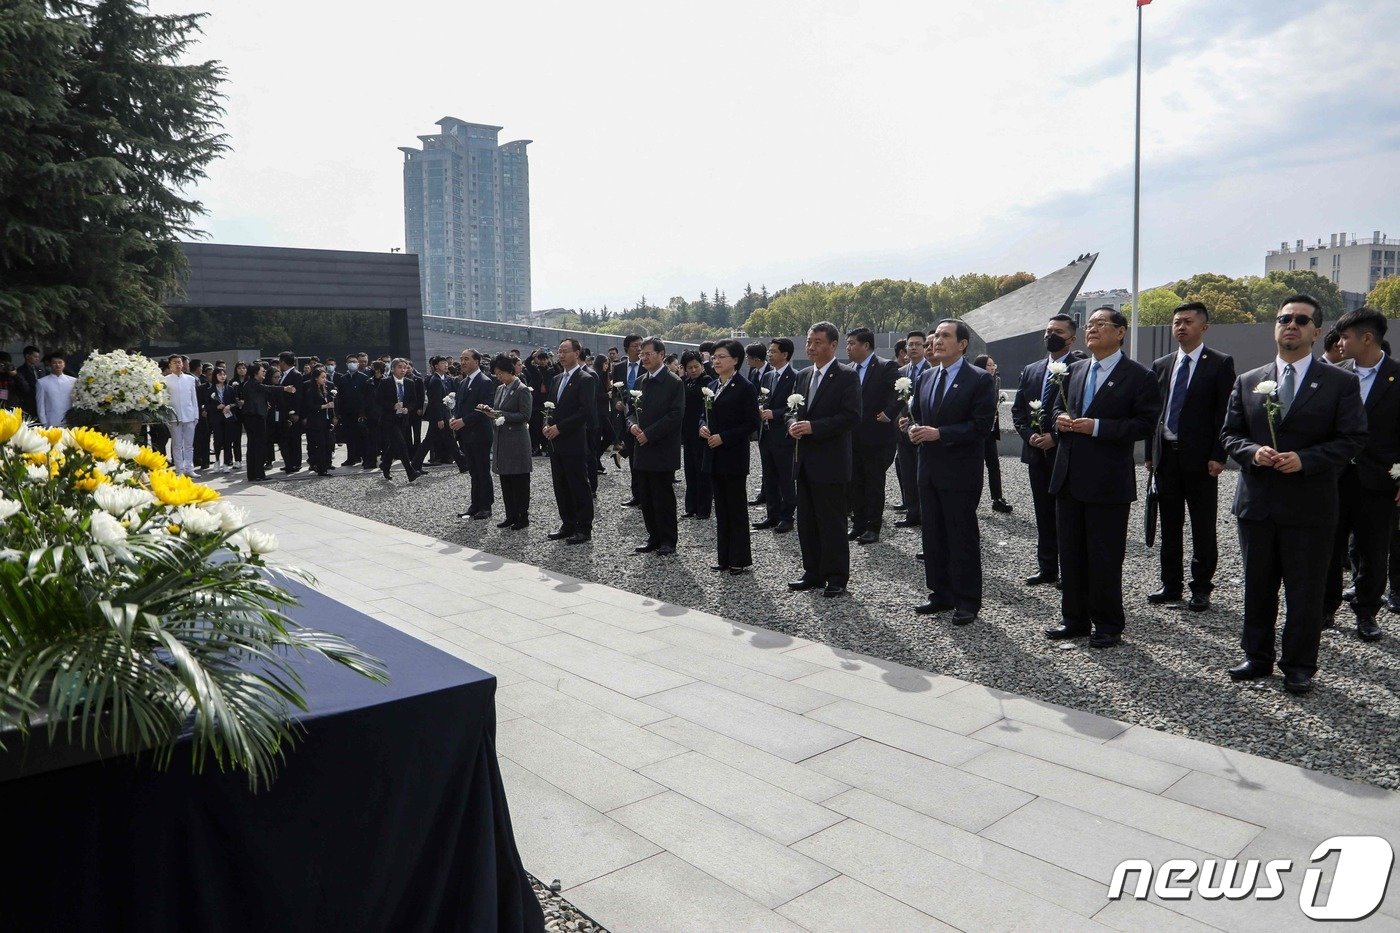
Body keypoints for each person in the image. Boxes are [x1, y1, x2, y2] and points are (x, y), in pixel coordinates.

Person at [1221, 295, 1367, 693]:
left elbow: (1353, 438)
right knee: (1258, 586)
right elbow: (1229, 435)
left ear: (1316, 331)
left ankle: (1299, 665)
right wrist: (1253, 452)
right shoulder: (1249, 380)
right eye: (1284, 318)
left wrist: (1307, 460)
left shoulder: (1340, 382)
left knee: (1305, 591)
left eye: (1301, 320)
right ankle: (1256, 656)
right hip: (1258, 504)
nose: (1291, 325)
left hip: (1310, 506)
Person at [1045, 307, 1161, 649]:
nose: (1092, 330)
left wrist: (1097, 427)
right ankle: (1074, 619)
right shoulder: (1075, 368)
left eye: (1101, 324)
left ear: (1121, 332)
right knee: (1071, 552)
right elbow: (1055, 407)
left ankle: (1108, 623)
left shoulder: (1139, 376)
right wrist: (1060, 418)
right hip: (1068, 476)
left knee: (1105, 556)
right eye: (1090, 325)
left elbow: (1145, 424)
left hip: (1107, 481)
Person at [1144, 301, 1236, 611]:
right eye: (1177, 322)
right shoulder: (1162, 364)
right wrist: (1150, 454)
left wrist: (1218, 454)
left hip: (1201, 460)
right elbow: (1154, 413)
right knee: (1169, 524)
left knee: (1202, 525)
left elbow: (1224, 413)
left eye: (1187, 321)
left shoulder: (1220, 363)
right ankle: (1171, 585)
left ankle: (1201, 588)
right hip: (1166, 458)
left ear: (1203, 327)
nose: (1181, 327)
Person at [909, 320, 997, 623]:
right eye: (936, 337)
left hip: (960, 471)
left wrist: (941, 433)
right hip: (929, 469)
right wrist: (914, 429)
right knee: (932, 534)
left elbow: (981, 426)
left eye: (946, 336)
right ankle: (940, 593)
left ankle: (967, 600)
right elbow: (918, 415)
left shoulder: (980, 380)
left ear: (962, 344)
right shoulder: (927, 376)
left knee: (961, 535)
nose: (937, 342)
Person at [1323, 307, 1399, 642]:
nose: (1339, 343)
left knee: (1373, 548)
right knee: (1327, 546)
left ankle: (1367, 613)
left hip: (1379, 482)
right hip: (1334, 479)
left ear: (1367, 338)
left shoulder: (1397, 378)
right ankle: (1325, 608)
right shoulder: (1333, 375)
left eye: (1345, 336)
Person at [787, 322, 862, 598]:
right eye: (809, 341)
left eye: (818, 342)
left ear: (833, 346)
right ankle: (813, 571)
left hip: (830, 461)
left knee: (832, 522)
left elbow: (851, 416)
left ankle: (836, 576)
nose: (811, 346)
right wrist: (792, 423)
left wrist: (814, 427)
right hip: (804, 460)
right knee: (806, 520)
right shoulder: (803, 375)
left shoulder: (846, 376)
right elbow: (790, 409)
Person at [1010, 314, 1085, 587]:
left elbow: (1078, 411)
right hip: (1036, 453)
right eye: (1048, 330)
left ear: (1072, 338)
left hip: (1065, 454)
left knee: (1066, 515)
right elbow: (1018, 410)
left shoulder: (1081, 368)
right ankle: (1047, 567)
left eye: (1058, 331)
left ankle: (1069, 570)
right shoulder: (1032, 369)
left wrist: (1055, 437)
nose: (1050, 335)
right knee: (1042, 512)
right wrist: (1030, 436)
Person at [701, 339, 761, 573]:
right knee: (721, 509)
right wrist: (702, 426)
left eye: (722, 357)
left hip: (733, 456)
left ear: (735, 360)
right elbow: (703, 415)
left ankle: (739, 558)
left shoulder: (745, 387)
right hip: (714, 455)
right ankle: (723, 557)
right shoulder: (713, 386)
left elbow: (751, 423)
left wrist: (724, 437)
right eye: (714, 357)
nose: (716, 361)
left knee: (735, 508)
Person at [628, 337, 685, 556]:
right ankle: (653, 536)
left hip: (661, 447)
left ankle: (668, 540)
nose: (644, 357)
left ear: (662, 355)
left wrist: (649, 434)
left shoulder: (673, 382)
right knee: (646, 495)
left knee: (663, 496)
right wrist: (632, 425)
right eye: (642, 354)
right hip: (641, 447)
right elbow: (632, 410)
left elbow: (675, 415)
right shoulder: (641, 381)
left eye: (648, 354)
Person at [846, 327, 901, 544]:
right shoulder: (848, 369)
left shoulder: (886, 366)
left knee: (873, 483)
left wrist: (890, 413)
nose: (848, 348)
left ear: (866, 345)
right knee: (855, 483)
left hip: (878, 438)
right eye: (848, 343)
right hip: (852, 437)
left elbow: (902, 392)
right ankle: (858, 525)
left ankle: (873, 527)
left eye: (852, 343)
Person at [544, 339, 596, 544]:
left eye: (565, 351)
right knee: (560, 484)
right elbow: (549, 407)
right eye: (559, 351)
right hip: (555, 442)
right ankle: (567, 523)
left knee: (578, 484)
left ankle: (584, 527)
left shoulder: (586, 378)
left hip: (573, 440)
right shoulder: (556, 379)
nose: (561, 355)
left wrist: (560, 427)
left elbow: (585, 412)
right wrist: (547, 423)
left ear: (577, 353)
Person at [473, 353, 532, 530]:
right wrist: (489, 411)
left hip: (517, 439)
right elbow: (498, 411)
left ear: (510, 371)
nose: (499, 377)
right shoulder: (500, 389)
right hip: (502, 438)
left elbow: (524, 415)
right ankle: (510, 514)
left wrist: (500, 415)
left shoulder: (522, 389)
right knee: (506, 479)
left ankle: (522, 516)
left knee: (519, 480)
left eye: (501, 373)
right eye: (496, 374)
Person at [754, 338, 797, 534]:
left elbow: (795, 407)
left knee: (785, 477)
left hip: (783, 435)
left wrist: (776, 413)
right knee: (769, 476)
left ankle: (787, 516)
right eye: (769, 351)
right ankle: (772, 514)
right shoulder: (767, 376)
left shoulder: (795, 376)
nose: (769, 354)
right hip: (766, 434)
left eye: (773, 351)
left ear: (785, 354)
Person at [452, 350, 496, 519]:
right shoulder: (463, 382)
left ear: (477, 361)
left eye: (466, 359)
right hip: (466, 434)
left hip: (479, 434)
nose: (462, 362)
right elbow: (459, 406)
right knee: (473, 471)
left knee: (482, 470)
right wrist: (455, 418)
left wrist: (464, 421)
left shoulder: (484, 381)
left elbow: (484, 409)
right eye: (461, 359)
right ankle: (475, 504)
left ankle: (486, 506)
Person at [894, 332, 930, 530]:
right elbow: (896, 402)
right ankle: (912, 512)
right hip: (902, 432)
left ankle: (927, 514)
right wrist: (900, 419)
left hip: (923, 431)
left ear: (925, 347)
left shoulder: (931, 370)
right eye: (910, 345)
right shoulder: (901, 372)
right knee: (907, 473)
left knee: (922, 476)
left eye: (918, 344)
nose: (913, 348)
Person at [971, 355, 1014, 514]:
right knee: (976, 468)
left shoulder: (996, 381)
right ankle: (971, 500)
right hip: (976, 432)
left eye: (993, 364)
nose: (993, 367)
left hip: (989, 432)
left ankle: (997, 498)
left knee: (994, 465)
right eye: (989, 365)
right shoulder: (974, 381)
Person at [375, 358, 423, 482]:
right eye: (400, 367)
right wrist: (392, 406)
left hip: (403, 419)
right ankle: (410, 472)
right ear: (393, 369)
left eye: (405, 367)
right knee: (401, 444)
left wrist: (408, 408)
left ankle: (385, 465)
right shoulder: (385, 382)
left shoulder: (409, 382)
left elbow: (413, 400)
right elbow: (378, 400)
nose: (403, 370)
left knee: (394, 445)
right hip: (389, 420)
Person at [680, 351, 713, 520]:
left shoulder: (707, 381)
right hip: (687, 432)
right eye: (689, 367)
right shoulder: (685, 382)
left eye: (696, 366)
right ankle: (690, 506)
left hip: (701, 431)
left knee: (702, 471)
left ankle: (703, 508)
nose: (693, 370)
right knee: (690, 470)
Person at [616, 335, 645, 506]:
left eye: (641, 345)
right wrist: (617, 402)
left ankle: (646, 493)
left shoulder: (646, 366)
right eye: (635, 345)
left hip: (642, 416)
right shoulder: (619, 367)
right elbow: (614, 390)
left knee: (643, 457)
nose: (639, 348)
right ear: (627, 348)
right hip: (626, 418)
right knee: (633, 456)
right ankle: (637, 494)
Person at [412, 356, 456, 470]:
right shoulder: (435, 380)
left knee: (449, 438)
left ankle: (462, 463)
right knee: (429, 440)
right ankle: (416, 463)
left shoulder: (446, 378)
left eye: (446, 363)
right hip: (438, 416)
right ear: (436, 366)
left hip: (446, 414)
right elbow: (434, 402)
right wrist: (439, 419)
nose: (446, 365)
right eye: (443, 363)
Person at [164, 354, 201, 477]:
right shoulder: (165, 380)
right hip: (174, 417)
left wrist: (196, 415)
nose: (178, 364)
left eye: (179, 362)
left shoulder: (190, 379)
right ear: (170, 365)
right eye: (174, 362)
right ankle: (179, 470)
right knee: (177, 444)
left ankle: (189, 468)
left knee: (189, 444)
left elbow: (194, 399)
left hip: (189, 415)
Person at [335, 354, 371, 467]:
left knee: (363, 437)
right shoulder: (342, 378)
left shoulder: (364, 378)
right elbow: (339, 397)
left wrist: (364, 412)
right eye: (350, 362)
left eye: (354, 362)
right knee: (349, 437)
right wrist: (339, 413)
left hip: (360, 413)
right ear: (346, 364)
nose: (352, 364)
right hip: (347, 413)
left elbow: (367, 397)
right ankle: (351, 458)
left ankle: (365, 459)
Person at [301, 366, 336, 475]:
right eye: (322, 377)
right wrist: (325, 406)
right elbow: (310, 406)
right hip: (316, 422)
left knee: (328, 444)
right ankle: (320, 468)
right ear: (316, 378)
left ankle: (325, 465)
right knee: (319, 445)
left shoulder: (324, 389)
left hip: (325, 421)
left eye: (325, 377)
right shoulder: (311, 390)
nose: (324, 379)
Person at [240, 362, 272, 482]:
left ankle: (253, 474)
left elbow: (257, 400)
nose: (264, 373)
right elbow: (269, 389)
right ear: (255, 373)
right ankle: (258, 474)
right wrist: (285, 388)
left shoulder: (249, 384)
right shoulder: (254, 384)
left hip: (253, 417)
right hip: (255, 418)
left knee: (253, 446)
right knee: (258, 446)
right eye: (262, 371)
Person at [273, 351, 304, 473]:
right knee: (287, 438)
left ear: (283, 362)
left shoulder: (295, 375)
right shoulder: (284, 374)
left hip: (292, 412)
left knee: (294, 439)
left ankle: (296, 463)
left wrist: (295, 412)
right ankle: (289, 462)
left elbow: (298, 395)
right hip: (283, 412)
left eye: (280, 361)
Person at [205, 368, 239, 471]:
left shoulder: (230, 389)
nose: (222, 376)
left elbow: (235, 403)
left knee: (228, 441)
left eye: (224, 374)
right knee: (218, 440)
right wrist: (216, 407)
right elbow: (207, 405)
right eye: (220, 374)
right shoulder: (210, 390)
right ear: (215, 376)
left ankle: (226, 463)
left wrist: (229, 406)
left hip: (228, 418)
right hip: (216, 419)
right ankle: (217, 460)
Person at [34, 353, 76, 427]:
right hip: (51, 421)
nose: (57, 365)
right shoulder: (42, 382)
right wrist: (44, 423)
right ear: (50, 364)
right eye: (54, 363)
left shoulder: (73, 381)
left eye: (60, 362)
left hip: (70, 421)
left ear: (64, 364)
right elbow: (40, 405)